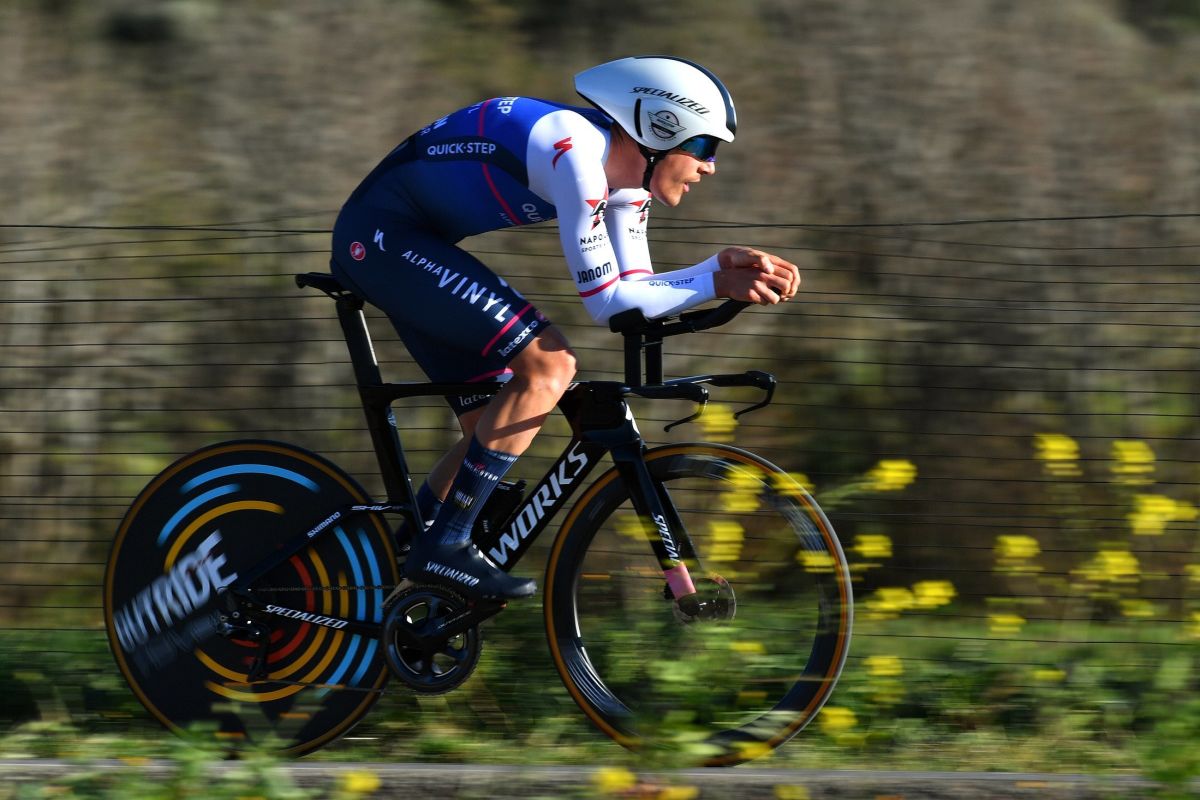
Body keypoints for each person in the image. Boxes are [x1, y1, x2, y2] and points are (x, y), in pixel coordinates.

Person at [331, 55, 800, 601]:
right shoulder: (575, 155)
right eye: (703, 147)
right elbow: (607, 303)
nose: (710, 167)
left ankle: (400, 566)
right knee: (549, 365)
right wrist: (714, 279)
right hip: (380, 239)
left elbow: (637, 293)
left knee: (493, 424)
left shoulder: (629, 185)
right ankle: (446, 546)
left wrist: (716, 270)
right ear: (658, 130)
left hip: (412, 242)